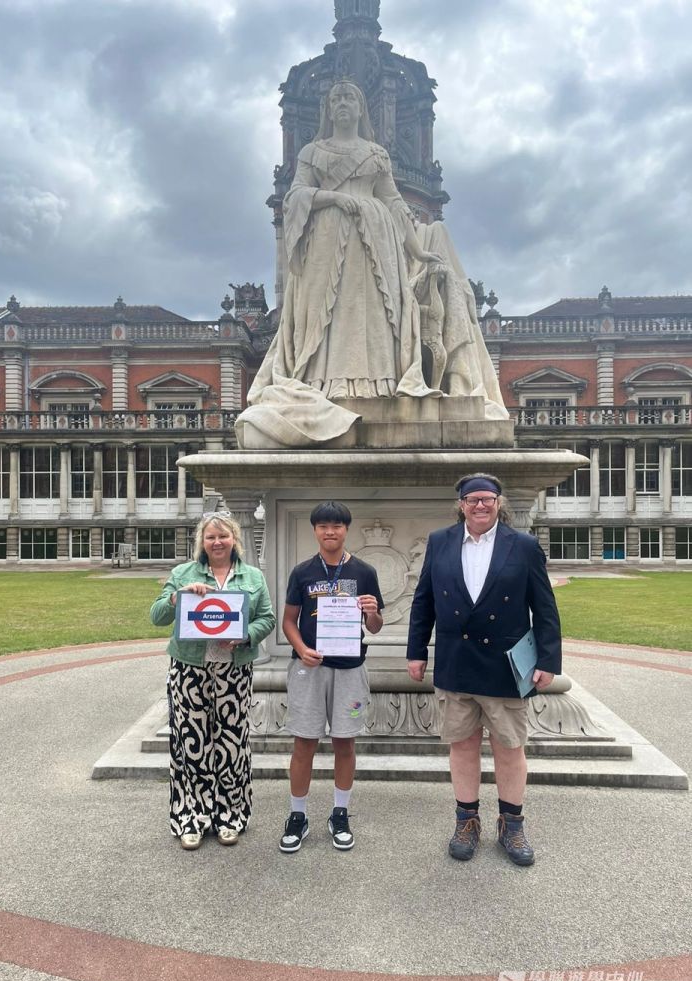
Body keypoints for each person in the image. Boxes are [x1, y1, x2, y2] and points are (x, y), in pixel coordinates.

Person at [236, 80, 445, 449]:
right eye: (336, 99)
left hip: (376, 238)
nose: (342, 103)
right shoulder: (312, 153)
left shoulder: (377, 153)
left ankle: (377, 382)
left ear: (361, 108)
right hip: (326, 238)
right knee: (327, 308)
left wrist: (416, 249)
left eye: (349, 97)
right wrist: (331, 197)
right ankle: (324, 380)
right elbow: (295, 195)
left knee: (373, 309)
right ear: (328, 109)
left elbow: (394, 202)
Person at [406, 474, 562, 866]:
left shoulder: (523, 545)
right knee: (462, 744)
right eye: (473, 499)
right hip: (456, 660)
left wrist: (547, 661)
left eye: (487, 499)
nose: (480, 505)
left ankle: (511, 823)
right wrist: (416, 651)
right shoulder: (440, 541)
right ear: (461, 505)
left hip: (505, 665)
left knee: (509, 747)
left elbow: (544, 607)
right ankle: (467, 820)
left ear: (498, 503)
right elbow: (424, 600)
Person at [150, 512, 275, 851]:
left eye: (223, 536)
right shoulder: (183, 574)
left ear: (234, 539)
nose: (217, 542)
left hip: (234, 670)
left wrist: (246, 635)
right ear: (201, 542)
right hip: (190, 668)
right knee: (191, 743)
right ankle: (191, 818)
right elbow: (156, 616)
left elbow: (267, 618)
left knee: (232, 744)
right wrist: (176, 598)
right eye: (210, 537)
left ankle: (230, 816)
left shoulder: (252, 577)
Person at [279, 501, 384, 853]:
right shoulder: (303, 572)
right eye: (323, 525)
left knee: (345, 742)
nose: (330, 531)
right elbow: (289, 621)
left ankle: (340, 813)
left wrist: (373, 613)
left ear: (346, 530)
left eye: (336, 525)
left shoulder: (365, 572)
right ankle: (298, 815)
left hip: (350, 670)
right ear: (314, 530)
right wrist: (300, 648)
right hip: (310, 669)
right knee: (304, 743)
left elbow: (375, 626)